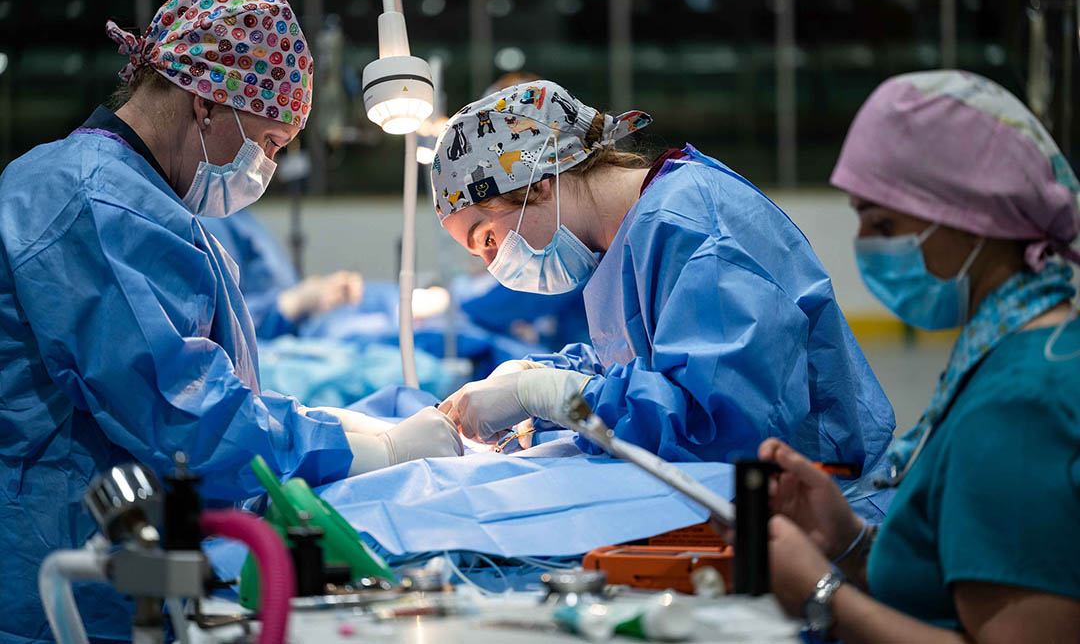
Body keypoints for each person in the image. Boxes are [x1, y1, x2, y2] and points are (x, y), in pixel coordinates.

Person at [0, 0, 460, 643]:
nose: (267, 167)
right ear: (206, 104)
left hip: (127, 563)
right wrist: (371, 448)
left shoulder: (141, 202)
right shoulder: (92, 200)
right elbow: (183, 414)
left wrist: (331, 431)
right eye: (269, 143)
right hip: (66, 582)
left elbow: (206, 387)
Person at [433, 79, 896, 516]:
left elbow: (722, 423)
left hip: (821, 515)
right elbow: (646, 369)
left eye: (488, 239)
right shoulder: (627, 242)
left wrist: (552, 396)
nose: (494, 266)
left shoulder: (690, 223)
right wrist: (540, 377)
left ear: (538, 181)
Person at [761, 70, 1080, 642]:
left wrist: (821, 594)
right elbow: (956, 578)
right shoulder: (1016, 342)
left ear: (973, 215)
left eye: (884, 224)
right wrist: (850, 544)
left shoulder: (1023, 402)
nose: (868, 249)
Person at [198, 210, 364, 339]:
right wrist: (293, 303)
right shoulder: (208, 222)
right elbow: (212, 323)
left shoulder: (240, 216)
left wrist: (315, 293)